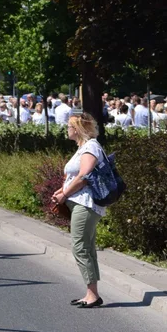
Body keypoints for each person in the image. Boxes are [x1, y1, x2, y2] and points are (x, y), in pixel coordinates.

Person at [51, 112, 106, 307]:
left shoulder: (90, 147)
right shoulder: (83, 147)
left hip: (86, 203)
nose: (67, 129)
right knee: (87, 248)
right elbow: (75, 177)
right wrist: (62, 190)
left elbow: (84, 176)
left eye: (69, 126)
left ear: (77, 128)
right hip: (80, 202)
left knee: (80, 247)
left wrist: (64, 195)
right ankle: (92, 293)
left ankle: (92, 294)